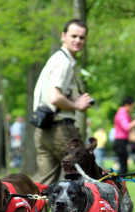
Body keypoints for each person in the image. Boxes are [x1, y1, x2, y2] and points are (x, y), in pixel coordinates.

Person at [32, 18, 93, 186]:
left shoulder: (55, 59)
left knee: (44, 187)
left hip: (43, 131)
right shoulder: (64, 63)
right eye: (74, 36)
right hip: (61, 130)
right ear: (63, 36)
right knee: (84, 179)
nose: (78, 40)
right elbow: (55, 97)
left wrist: (73, 99)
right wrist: (77, 105)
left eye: (82, 37)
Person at [113, 96, 135, 175]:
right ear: (127, 104)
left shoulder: (125, 114)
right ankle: (119, 182)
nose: (132, 108)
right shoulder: (122, 114)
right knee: (123, 166)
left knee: (124, 165)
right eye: (132, 106)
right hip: (120, 141)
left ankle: (120, 180)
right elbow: (127, 127)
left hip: (123, 141)